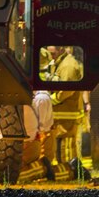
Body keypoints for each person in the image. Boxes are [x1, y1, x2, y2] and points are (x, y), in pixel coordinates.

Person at [41, 46, 92, 178]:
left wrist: (49, 100)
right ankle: (62, 172)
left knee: (66, 147)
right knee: (58, 146)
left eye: (52, 53)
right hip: (60, 113)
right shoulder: (58, 63)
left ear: (61, 49)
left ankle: (72, 172)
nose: (50, 55)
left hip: (68, 114)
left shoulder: (68, 65)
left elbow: (67, 90)